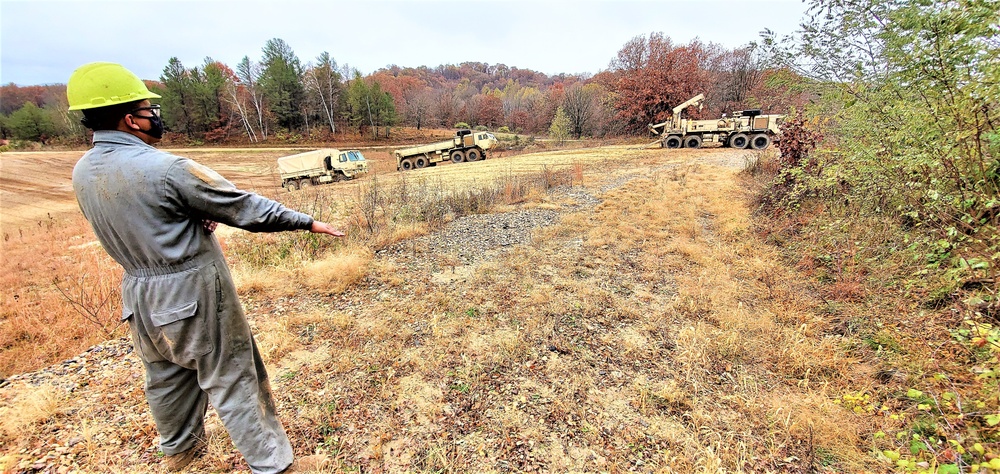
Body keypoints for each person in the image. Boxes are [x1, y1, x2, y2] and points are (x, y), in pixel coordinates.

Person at [68, 62, 333, 473]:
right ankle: (274, 465)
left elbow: (141, 219)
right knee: (233, 378)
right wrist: (306, 222)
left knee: (165, 380)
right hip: (189, 291)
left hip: (139, 296)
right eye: (146, 108)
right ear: (129, 119)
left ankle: (180, 454)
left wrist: (185, 218)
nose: (155, 116)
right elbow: (242, 206)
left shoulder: (84, 171)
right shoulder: (167, 168)